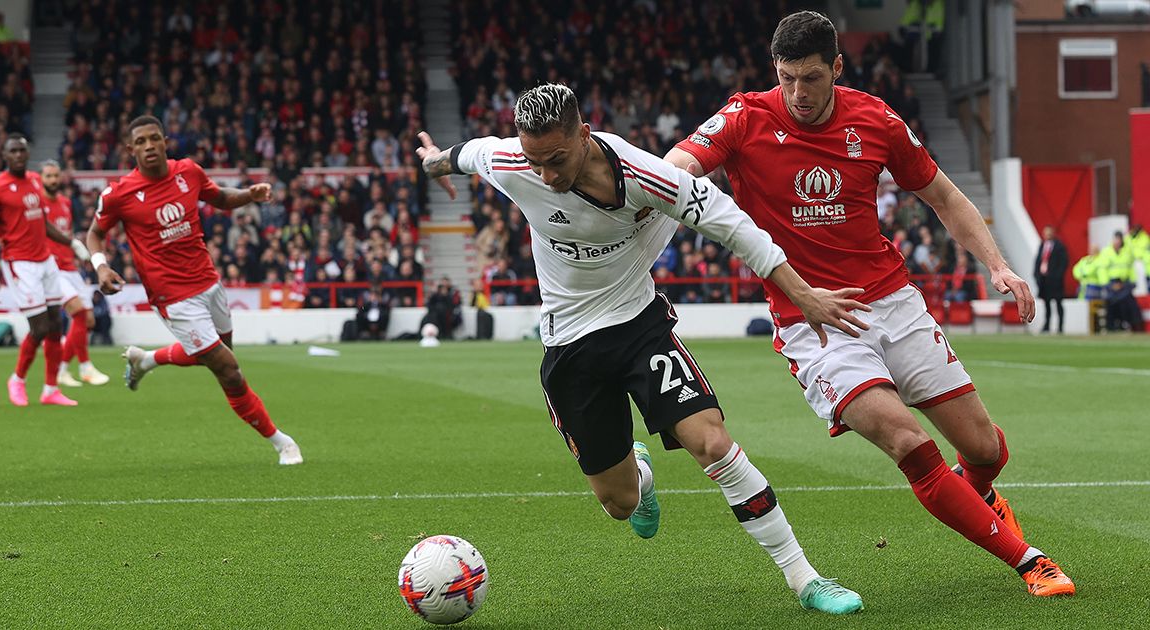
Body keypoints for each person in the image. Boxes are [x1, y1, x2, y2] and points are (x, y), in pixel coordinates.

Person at [418, 84, 871, 614]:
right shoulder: (514, 160)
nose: (544, 175)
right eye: (534, 161)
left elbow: (732, 225)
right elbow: (467, 154)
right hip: (569, 346)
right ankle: (641, 472)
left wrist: (803, 294)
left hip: (639, 328)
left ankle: (805, 577)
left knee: (713, 443)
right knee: (620, 503)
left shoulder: (642, 175)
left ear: (584, 135)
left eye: (555, 159)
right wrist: (434, 163)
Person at [665, 11, 1074, 597]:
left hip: (893, 303)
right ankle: (1030, 559)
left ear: (837, 66)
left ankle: (977, 495)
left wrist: (999, 264)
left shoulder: (875, 118)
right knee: (908, 443)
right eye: (786, 78)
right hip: (813, 322)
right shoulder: (742, 117)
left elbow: (943, 194)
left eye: (810, 78)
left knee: (984, 448)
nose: (798, 94)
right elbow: (675, 170)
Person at [86, 115, 302, 466]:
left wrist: (250, 194)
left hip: (208, 282)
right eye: (141, 141)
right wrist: (101, 265)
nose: (149, 146)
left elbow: (219, 197)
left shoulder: (187, 171)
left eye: (154, 138)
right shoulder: (119, 194)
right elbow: (95, 233)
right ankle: (282, 442)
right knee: (229, 370)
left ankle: (146, 359)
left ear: (165, 141)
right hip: (172, 296)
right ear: (130, 149)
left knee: (217, 354)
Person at [0, 135, 88, 407]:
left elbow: (44, 223)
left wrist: (72, 242)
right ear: (5, 155)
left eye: (22, 150)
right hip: (20, 264)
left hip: (46, 260)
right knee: (39, 327)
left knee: (55, 326)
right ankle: (17, 379)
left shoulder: (34, 181)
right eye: (13, 151)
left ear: (28, 154)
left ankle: (50, 389)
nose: (18, 155)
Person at [40, 160, 110, 386]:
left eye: (55, 175)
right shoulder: (38, 205)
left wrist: (78, 252)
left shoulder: (64, 203)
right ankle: (85, 367)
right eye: (48, 176)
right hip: (52, 269)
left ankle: (62, 370)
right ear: (40, 178)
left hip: (70, 267)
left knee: (87, 319)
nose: (52, 180)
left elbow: (67, 233)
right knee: (78, 312)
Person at [1032, 225, 1068, 334]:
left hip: (1055, 281)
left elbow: (1063, 262)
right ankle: (1047, 325)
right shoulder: (1042, 245)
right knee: (1046, 304)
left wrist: (1057, 276)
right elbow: (1038, 261)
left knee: (1058, 303)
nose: (1047, 235)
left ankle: (1060, 327)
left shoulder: (1059, 246)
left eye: (1049, 232)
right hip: (1044, 280)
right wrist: (1037, 275)